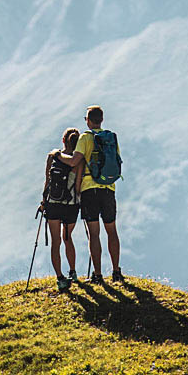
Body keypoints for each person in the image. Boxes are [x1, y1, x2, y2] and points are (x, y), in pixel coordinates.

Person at [70, 104, 123, 283]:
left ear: (88, 121)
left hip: (89, 189)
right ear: (101, 120)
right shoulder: (111, 137)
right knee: (112, 231)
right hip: (108, 188)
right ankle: (116, 272)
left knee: (94, 234)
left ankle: (98, 275)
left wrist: (58, 156)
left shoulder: (85, 138)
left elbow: (75, 160)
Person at [42, 127, 81, 292]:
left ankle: (60, 278)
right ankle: (72, 272)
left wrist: (44, 201)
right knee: (67, 238)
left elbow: (47, 182)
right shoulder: (79, 161)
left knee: (55, 241)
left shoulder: (52, 157)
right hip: (71, 205)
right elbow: (78, 187)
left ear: (63, 140)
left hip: (53, 203)